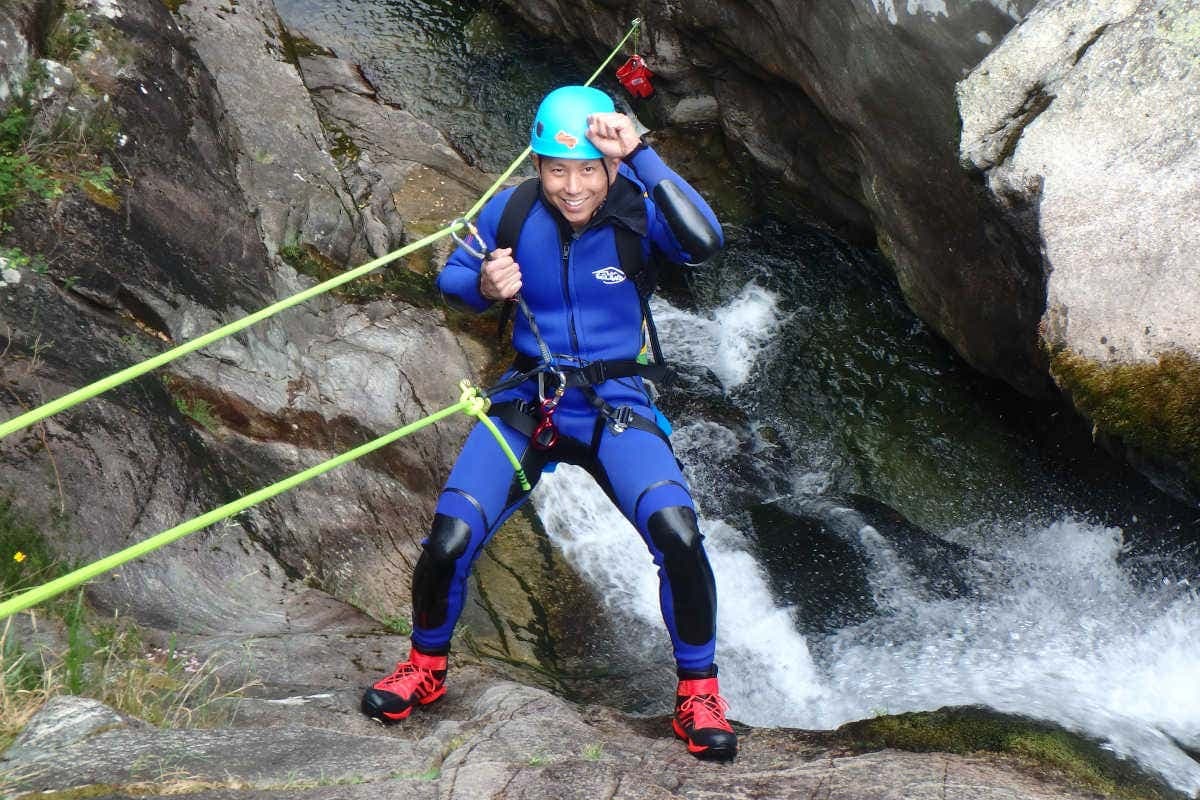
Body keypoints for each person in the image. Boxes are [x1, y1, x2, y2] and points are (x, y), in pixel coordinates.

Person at [361, 85, 736, 761]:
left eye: (588, 168)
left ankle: (699, 695)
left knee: (678, 534)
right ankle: (426, 667)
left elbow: (706, 243)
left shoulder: (637, 212)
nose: (571, 187)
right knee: (448, 539)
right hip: (530, 400)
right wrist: (484, 288)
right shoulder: (509, 210)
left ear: (610, 165)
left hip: (616, 403)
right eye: (556, 169)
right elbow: (452, 278)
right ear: (536, 164)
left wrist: (642, 156)